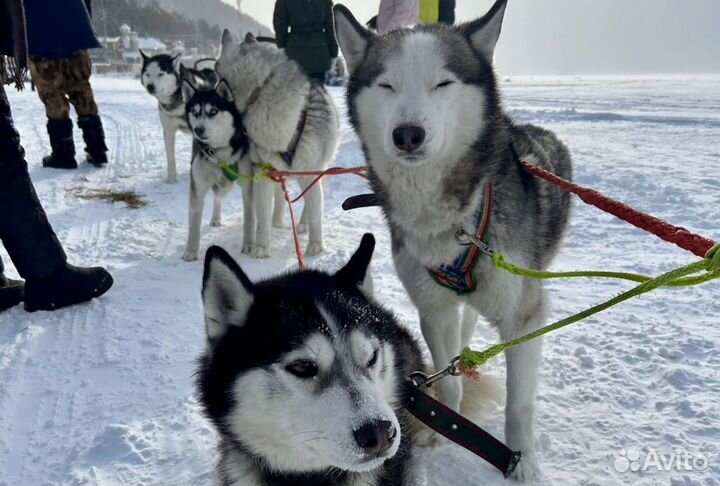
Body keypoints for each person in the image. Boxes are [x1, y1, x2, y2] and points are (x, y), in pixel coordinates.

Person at [0, 0, 113, 312]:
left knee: (54, 98)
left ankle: (67, 152)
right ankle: (48, 274)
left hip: (46, 36)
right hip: (73, 33)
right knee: (81, 92)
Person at [25, 0, 108, 169]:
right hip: (76, 29)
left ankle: (63, 155)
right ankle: (97, 150)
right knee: (81, 88)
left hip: (41, 33)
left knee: (52, 93)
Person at [273, 0, 338, 83]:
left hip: (295, 52)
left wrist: (281, 46)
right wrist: (333, 52)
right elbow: (330, 28)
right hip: (319, 51)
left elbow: (280, 26)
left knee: (295, 91)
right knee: (316, 91)